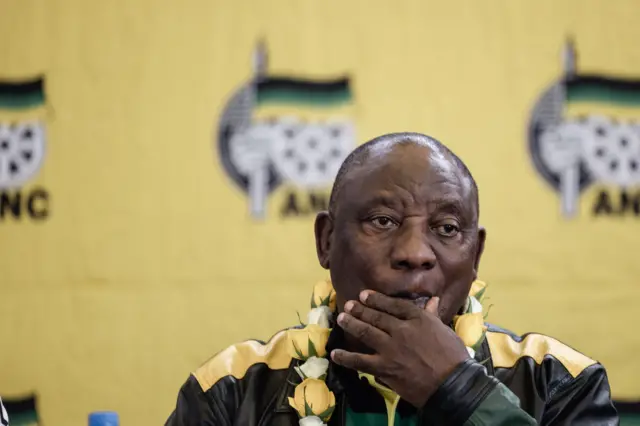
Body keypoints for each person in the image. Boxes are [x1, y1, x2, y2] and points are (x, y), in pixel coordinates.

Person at [166, 132, 618, 425]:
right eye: (382, 221)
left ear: (475, 254)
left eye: (446, 229)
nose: (414, 254)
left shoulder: (559, 382)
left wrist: (458, 390)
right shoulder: (232, 390)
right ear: (326, 241)